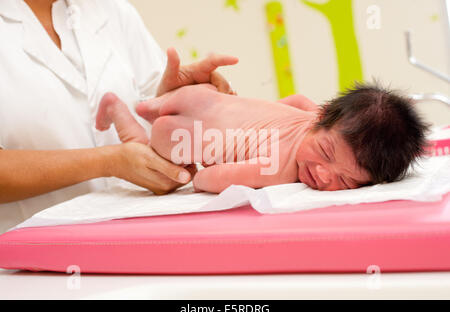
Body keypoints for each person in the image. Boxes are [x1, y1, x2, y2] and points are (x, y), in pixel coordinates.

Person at [0, 0, 237, 233]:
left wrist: (174, 97)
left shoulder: (112, 10)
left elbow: (147, 101)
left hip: (134, 237)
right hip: (24, 260)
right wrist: (109, 162)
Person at [96, 82, 429, 193]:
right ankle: (119, 113)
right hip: (180, 139)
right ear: (323, 118)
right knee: (156, 164)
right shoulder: (275, 169)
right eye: (326, 152)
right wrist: (194, 175)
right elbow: (210, 180)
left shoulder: (311, 116)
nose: (324, 174)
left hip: (197, 96)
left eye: (345, 181)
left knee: (166, 115)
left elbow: (296, 100)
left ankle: (148, 106)